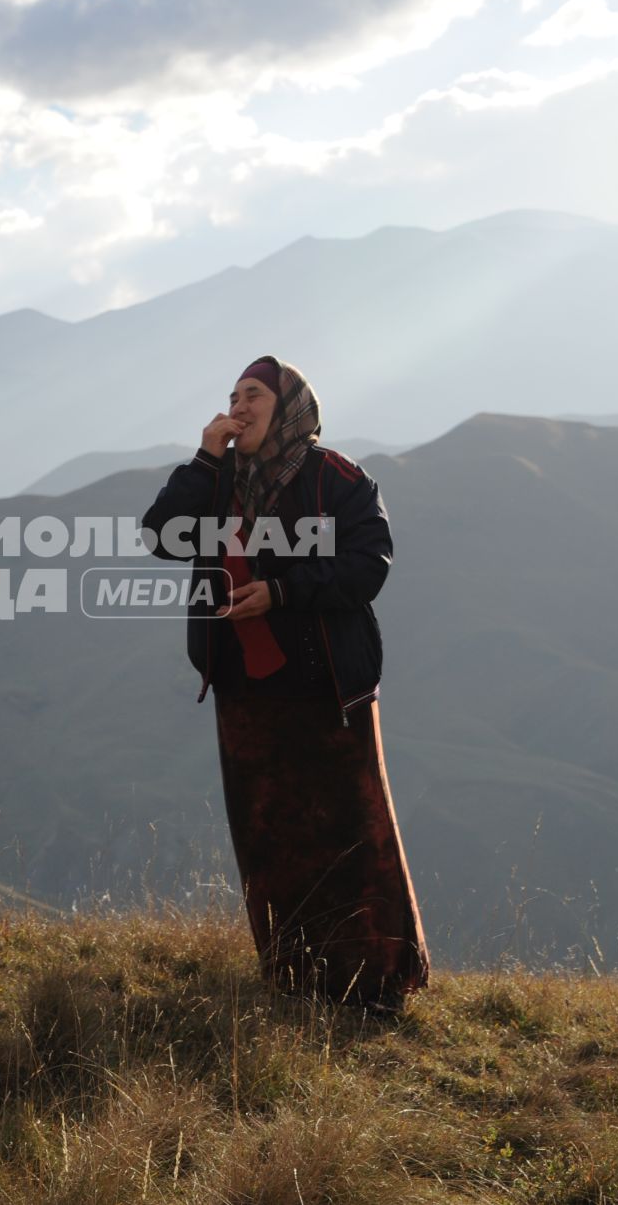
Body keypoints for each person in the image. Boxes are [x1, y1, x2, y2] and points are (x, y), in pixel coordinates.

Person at [141, 356, 429, 1010]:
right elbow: (161, 535)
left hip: (327, 686)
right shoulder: (219, 480)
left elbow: (367, 566)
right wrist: (206, 459)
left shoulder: (337, 478)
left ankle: (378, 982)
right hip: (246, 690)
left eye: (254, 395)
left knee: (351, 829)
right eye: (233, 396)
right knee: (267, 836)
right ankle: (296, 978)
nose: (239, 406)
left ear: (289, 405)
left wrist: (280, 591)